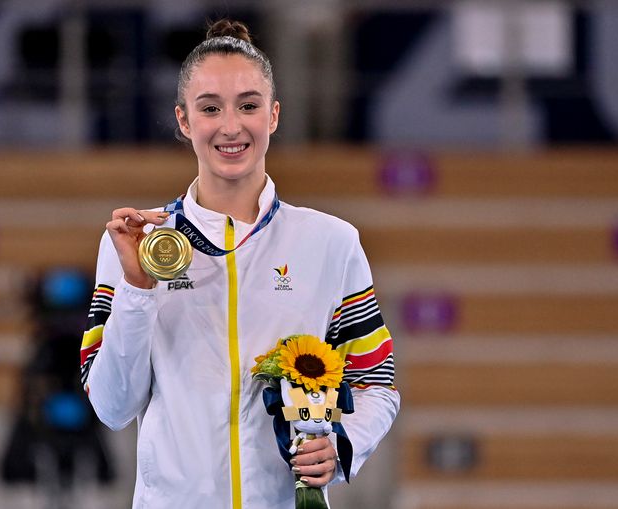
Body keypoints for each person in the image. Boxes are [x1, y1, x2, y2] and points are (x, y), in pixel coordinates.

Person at [79, 19, 399, 509]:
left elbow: (375, 383)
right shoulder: (138, 245)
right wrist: (138, 288)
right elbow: (112, 407)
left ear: (273, 115)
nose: (231, 127)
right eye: (210, 108)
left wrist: (342, 444)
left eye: (248, 106)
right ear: (184, 121)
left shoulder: (331, 243)